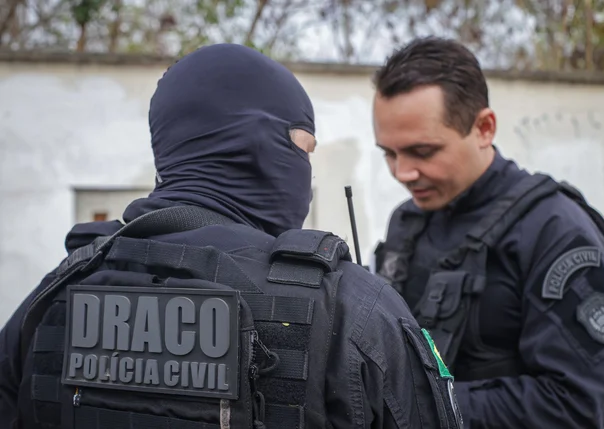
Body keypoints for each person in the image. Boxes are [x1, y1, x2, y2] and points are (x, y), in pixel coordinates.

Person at [0, 43, 464, 429]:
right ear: (258, 145)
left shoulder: (52, 294)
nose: (306, 173)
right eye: (302, 150)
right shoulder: (352, 307)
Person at [371, 36, 604, 429]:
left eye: (423, 151)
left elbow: (573, 407)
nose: (403, 173)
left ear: (484, 128)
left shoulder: (556, 232)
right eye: (389, 153)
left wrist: (416, 402)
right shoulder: (409, 219)